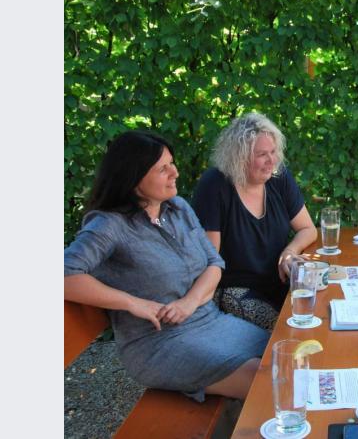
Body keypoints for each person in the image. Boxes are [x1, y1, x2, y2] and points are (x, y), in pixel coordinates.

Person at [64, 130, 268, 402]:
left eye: (172, 163)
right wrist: (131, 302)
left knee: (282, 351)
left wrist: (190, 302)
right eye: (163, 169)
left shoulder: (178, 208)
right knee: (268, 382)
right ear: (134, 178)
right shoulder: (109, 225)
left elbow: (214, 263)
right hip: (159, 344)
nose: (175, 173)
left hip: (210, 322)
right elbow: (64, 274)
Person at [192, 112, 317, 330]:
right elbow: (210, 259)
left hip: (278, 282)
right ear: (239, 158)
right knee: (289, 329)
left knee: (320, 310)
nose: (272, 161)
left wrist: (289, 252)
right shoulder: (215, 186)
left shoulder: (278, 178)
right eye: (262, 154)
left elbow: (307, 229)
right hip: (234, 290)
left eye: (273, 152)